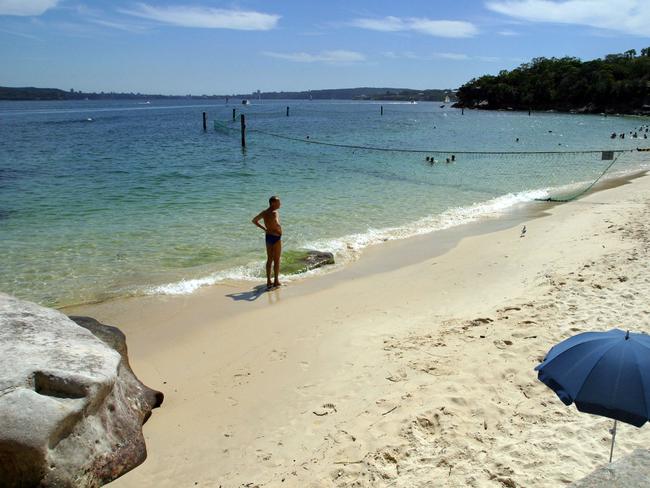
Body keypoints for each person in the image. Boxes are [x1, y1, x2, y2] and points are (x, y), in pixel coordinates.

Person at [252, 196, 282, 290]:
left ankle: (269, 281)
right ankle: (276, 281)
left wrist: (265, 229)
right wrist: (279, 229)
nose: (280, 204)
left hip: (268, 236)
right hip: (276, 237)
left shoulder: (264, 213)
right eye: (278, 202)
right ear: (272, 203)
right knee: (276, 260)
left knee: (269, 259)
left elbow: (254, 220)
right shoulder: (274, 213)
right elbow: (277, 223)